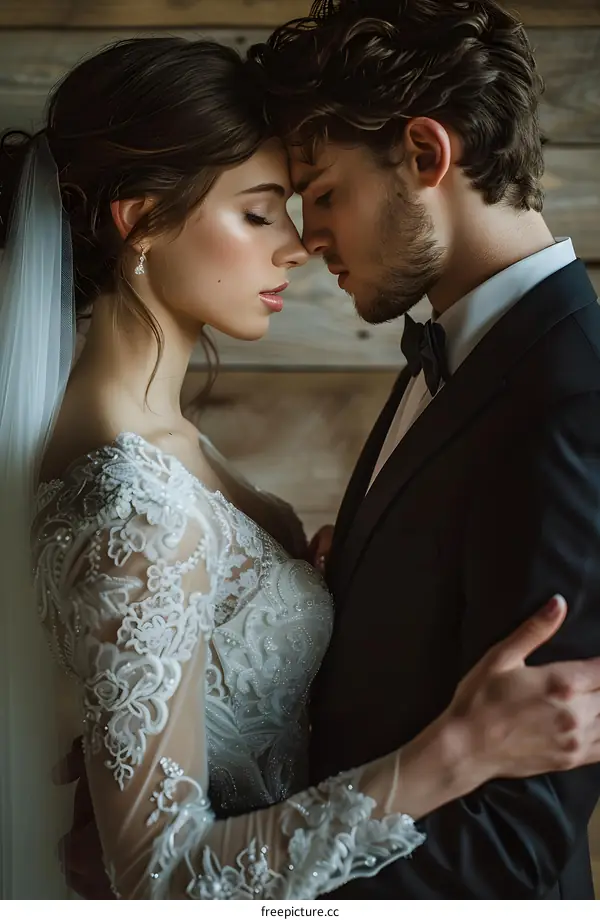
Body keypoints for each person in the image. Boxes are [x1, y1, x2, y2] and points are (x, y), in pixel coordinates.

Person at [1, 34, 600, 903]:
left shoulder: (175, 449)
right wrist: (451, 755)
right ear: (140, 220)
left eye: (304, 202)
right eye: (261, 211)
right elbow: (158, 880)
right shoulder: (128, 497)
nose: (297, 245)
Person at [248, 0, 600, 899]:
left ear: (424, 154)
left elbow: (511, 850)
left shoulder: (572, 402)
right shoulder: (457, 345)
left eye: (323, 191)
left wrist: (225, 893)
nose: (307, 236)